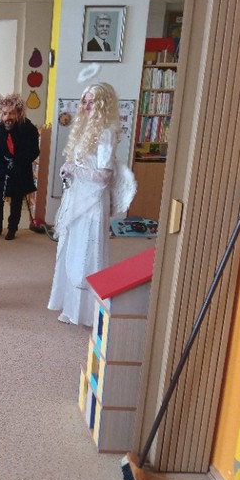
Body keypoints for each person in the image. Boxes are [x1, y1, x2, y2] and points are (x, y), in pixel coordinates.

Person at [47, 82, 134, 326]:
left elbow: (104, 176)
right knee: (73, 250)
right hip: (78, 196)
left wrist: (74, 169)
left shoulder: (105, 132)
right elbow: (84, 166)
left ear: (102, 104)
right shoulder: (86, 130)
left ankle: (85, 312)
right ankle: (70, 306)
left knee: (86, 252)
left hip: (93, 202)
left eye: (92, 102)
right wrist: (70, 170)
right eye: (84, 101)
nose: (86, 106)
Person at [0, 93, 40, 240]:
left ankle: (12, 229)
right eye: (4, 113)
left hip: (20, 169)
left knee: (16, 201)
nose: (7, 117)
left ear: (19, 113)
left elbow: (34, 150)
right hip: (1, 168)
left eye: (11, 113)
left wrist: (18, 163)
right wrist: (0, 168)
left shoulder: (28, 128)